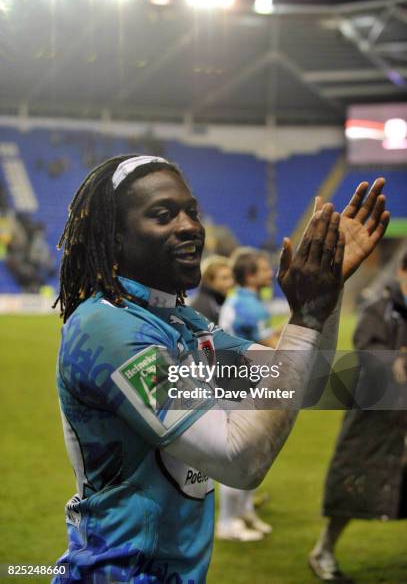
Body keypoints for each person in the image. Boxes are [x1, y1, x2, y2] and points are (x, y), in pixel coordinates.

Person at [53, 154, 388, 583]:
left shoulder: (182, 322)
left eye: (192, 211)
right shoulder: (108, 328)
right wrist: (303, 319)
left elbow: (309, 380)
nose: (190, 225)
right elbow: (239, 461)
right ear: (115, 237)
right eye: (163, 214)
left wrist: (326, 295)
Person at [309, 250, 407, 583]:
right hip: (375, 421)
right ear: (403, 274)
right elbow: (371, 354)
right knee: (351, 487)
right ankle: (323, 551)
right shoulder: (379, 310)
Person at [216, 249, 276, 541]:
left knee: (252, 454)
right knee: (240, 455)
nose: (271, 273)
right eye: (265, 268)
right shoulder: (250, 306)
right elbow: (274, 347)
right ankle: (228, 522)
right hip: (239, 385)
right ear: (251, 275)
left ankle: (245, 511)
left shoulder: (242, 299)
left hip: (236, 380)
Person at [191, 255, 234, 324]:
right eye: (225, 278)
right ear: (209, 280)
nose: (231, 282)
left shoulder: (219, 300)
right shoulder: (201, 306)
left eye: (232, 277)